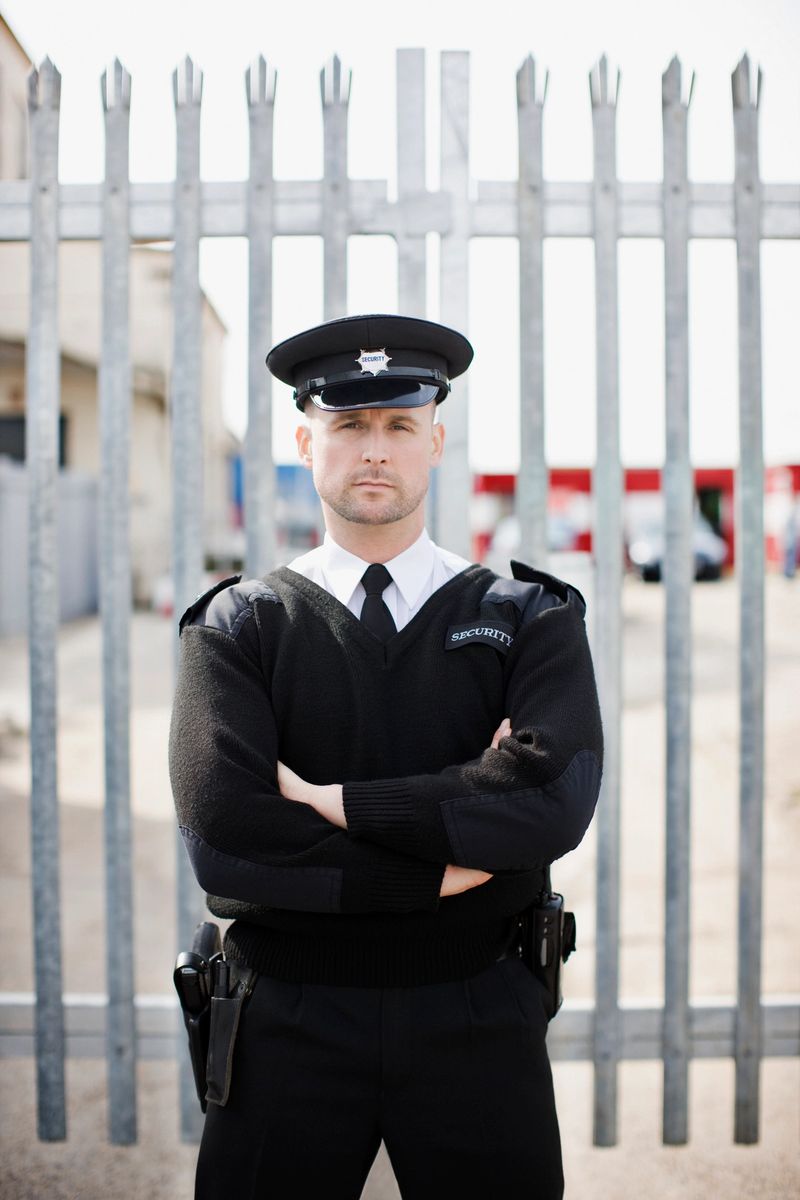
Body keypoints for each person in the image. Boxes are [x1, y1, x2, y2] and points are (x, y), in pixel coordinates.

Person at [169, 313, 603, 1200]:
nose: (375, 449)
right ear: (306, 442)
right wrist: (443, 865)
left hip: (479, 1010)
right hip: (286, 1016)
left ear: (434, 442)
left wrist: (338, 804)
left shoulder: (529, 617)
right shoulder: (240, 625)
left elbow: (552, 796)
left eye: (401, 424)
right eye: (349, 424)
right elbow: (228, 837)